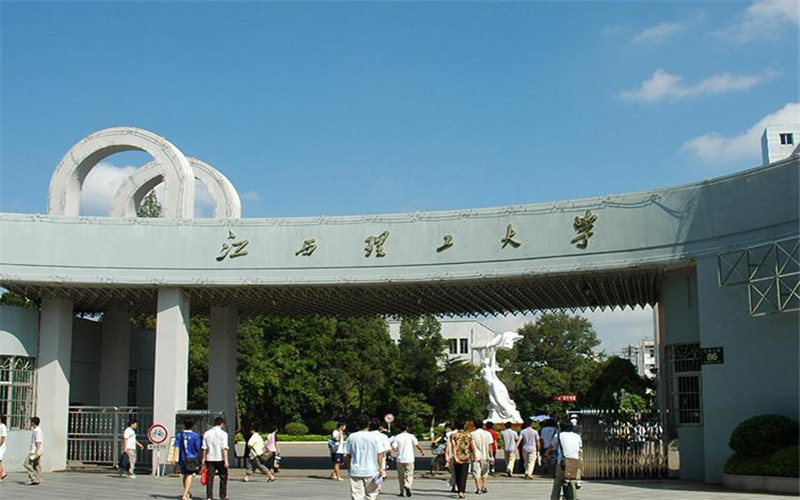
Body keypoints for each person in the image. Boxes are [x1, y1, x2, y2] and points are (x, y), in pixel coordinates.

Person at [345, 414, 386, 500]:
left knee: (357, 495)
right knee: (372, 495)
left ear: (357, 423)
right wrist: (381, 468)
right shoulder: (375, 437)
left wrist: (349, 467)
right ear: (369, 423)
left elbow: (348, 455)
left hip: (356, 470)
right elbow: (380, 454)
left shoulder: (352, 437)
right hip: (372, 470)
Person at [549, 421, 583, 500]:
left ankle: (554, 498)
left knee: (557, 482)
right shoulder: (577, 436)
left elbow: (551, 447)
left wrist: (546, 453)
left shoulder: (558, 435)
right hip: (576, 461)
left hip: (563, 462)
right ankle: (577, 483)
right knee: (575, 477)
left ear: (561, 428)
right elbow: (580, 448)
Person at [172, 418, 203, 500]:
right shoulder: (196, 436)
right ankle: (185, 495)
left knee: (185, 475)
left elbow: (176, 447)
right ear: (192, 425)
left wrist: (174, 457)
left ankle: (187, 492)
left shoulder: (179, 435)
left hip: (182, 458)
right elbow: (198, 448)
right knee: (189, 475)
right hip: (192, 458)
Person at [391, 423, 424, 497]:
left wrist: (396, 450)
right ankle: (408, 485)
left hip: (400, 459)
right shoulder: (411, 436)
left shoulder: (397, 437)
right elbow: (417, 444)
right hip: (409, 458)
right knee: (409, 474)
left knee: (401, 476)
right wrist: (421, 451)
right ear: (407, 428)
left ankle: (401, 491)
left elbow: (393, 446)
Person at [201, 416, 230, 500]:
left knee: (210, 478)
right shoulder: (224, 434)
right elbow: (225, 447)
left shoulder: (206, 433)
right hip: (220, 458)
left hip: (209, 458)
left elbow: (204, 448)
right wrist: (226, 460)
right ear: (222, 424)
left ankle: (209, 496)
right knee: (223, 477)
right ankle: (223, 495)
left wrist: (203, 459)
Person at [445, 420, 472, 499]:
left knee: (457, 474)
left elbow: (454, 446)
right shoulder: (469, 435)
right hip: (466, 456)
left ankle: (459, 490)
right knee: (464, 475)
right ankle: (462, 491)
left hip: (457, 457)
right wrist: (473, 455)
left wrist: (455, 456)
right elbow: (471, 446)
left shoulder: (453, 435)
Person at [470, 420, 492, 494]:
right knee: (485, 472)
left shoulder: (472, 434)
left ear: (474, 425)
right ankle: (483, 486)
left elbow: (472, 446)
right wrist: (491, 456)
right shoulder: (487, 434)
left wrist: (472, 455)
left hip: (476, 456)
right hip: (486, 456)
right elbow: (490, 445)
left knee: (476, 473)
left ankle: (478, 488)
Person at [23, 416, 43, 485]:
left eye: (31, 422)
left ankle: (33, 478)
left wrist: (36, 452)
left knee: (26, 463)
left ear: (33, 423)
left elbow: (38, 441)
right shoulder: (37, 430)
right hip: (38, 451)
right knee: (36, 465)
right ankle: (39, 479)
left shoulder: (37, 431)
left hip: (34, 451)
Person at [0, 416, 7, 483]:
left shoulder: (3, 427)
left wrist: (0, 444)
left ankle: (1, 476)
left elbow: (3, 437)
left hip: (1, 447)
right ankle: (2, 473)